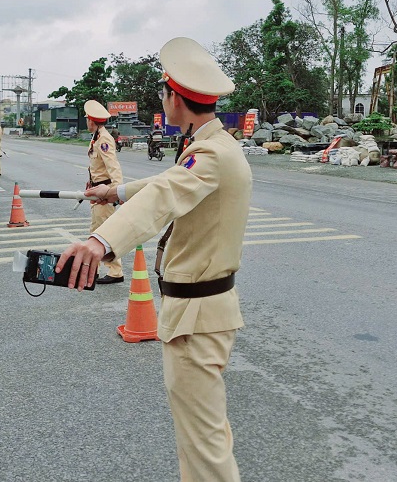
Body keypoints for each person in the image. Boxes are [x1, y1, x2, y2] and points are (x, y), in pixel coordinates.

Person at [58, 37, 251, 481]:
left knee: (203, 447)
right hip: (201, 311)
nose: (161, 100)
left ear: (174, 98)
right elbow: (169, 181)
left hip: (197, 316)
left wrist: (100, 241)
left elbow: (166, 193)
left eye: (163, 93)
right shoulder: (212, 147)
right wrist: (115, 192)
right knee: (204, 437)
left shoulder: (209, 155)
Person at [83, 99, 125, 284]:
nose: (86, 122)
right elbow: (98, 166)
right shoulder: (97, 137)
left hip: (104, 192)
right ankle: (97, 269)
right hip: (96, 190)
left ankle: (115, 271)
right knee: (97, 230)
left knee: (104, 233)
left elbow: (113, 167)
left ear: (91, 121)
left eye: (87, 119)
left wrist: (117, 192)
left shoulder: (104, 139)